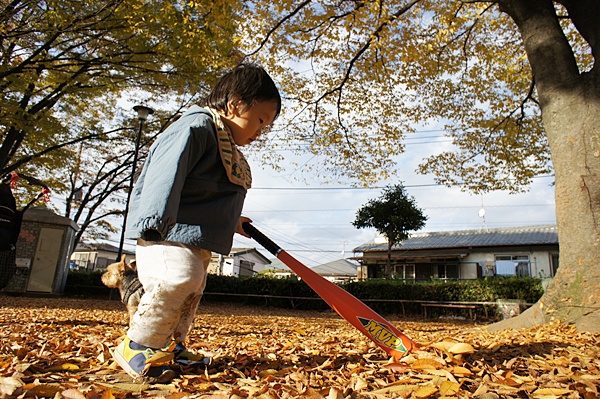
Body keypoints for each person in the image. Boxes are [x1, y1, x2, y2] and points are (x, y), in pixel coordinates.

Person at [112, 63, 281, 383]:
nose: (260, 133)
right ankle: (138, 344)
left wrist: (234, 221)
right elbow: (167, 174)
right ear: (234, 104)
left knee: (191, 292)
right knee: (178, 280)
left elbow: (206, 194)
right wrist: (153, 218)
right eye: (259, 120)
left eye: (266, 127)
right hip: (165, 232)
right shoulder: (197, 127)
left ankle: (173, 346)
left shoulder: (225, 143)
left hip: (194, 238)